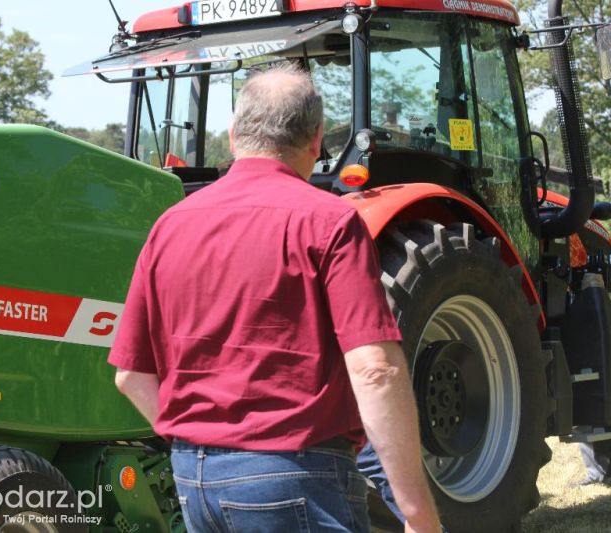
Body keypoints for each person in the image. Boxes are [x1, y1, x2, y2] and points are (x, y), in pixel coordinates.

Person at [108, 64, 440, 533]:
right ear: (316, 138)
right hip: (297, 475)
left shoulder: (170, 224)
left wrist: (203, 444)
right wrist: (417, 512)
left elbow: (130, 375)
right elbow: (376, 369)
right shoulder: (329, 221)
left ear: (233, 134)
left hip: (196, 479)